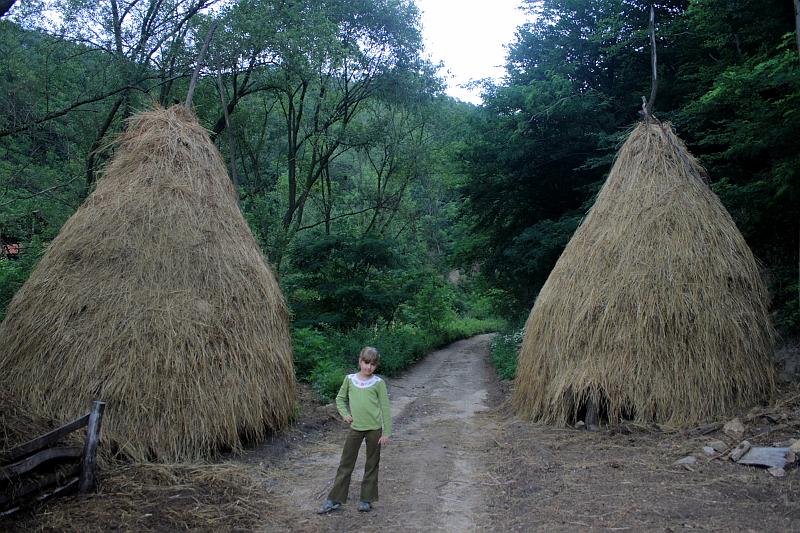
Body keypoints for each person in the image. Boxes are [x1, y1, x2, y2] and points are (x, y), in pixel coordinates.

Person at [318, 346, 392, 514]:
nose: (368, 367)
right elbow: (340, 399)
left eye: (373, 364)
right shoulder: (349, 380)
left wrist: (387, 432)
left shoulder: (378, 383)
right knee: (346, 463)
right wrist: (345, 414)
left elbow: (385, 408)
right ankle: (335, 499)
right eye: (366, 363)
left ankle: (366, 499)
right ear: (360, 361)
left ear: (376, 366)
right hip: (356, 428)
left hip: (375, 429)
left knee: (372, 464)